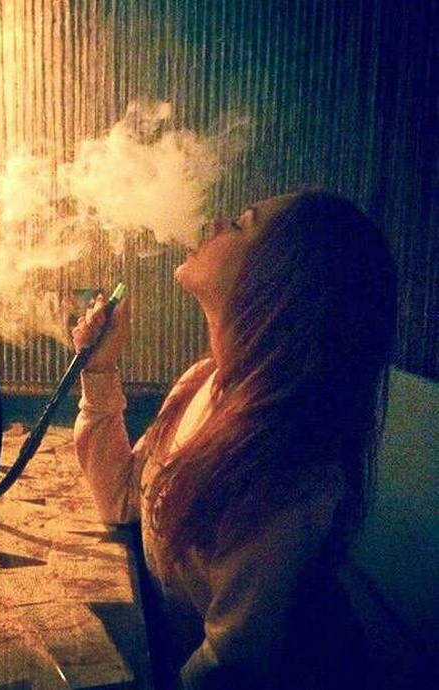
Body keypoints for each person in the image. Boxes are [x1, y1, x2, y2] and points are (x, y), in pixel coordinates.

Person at [71, 191, 398, 689]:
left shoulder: (287, 474)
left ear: (281, 281)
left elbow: (230, 668)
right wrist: (99, 368)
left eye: (243, 224)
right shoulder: (200, 382)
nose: (218, 221)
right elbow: (120, 500)